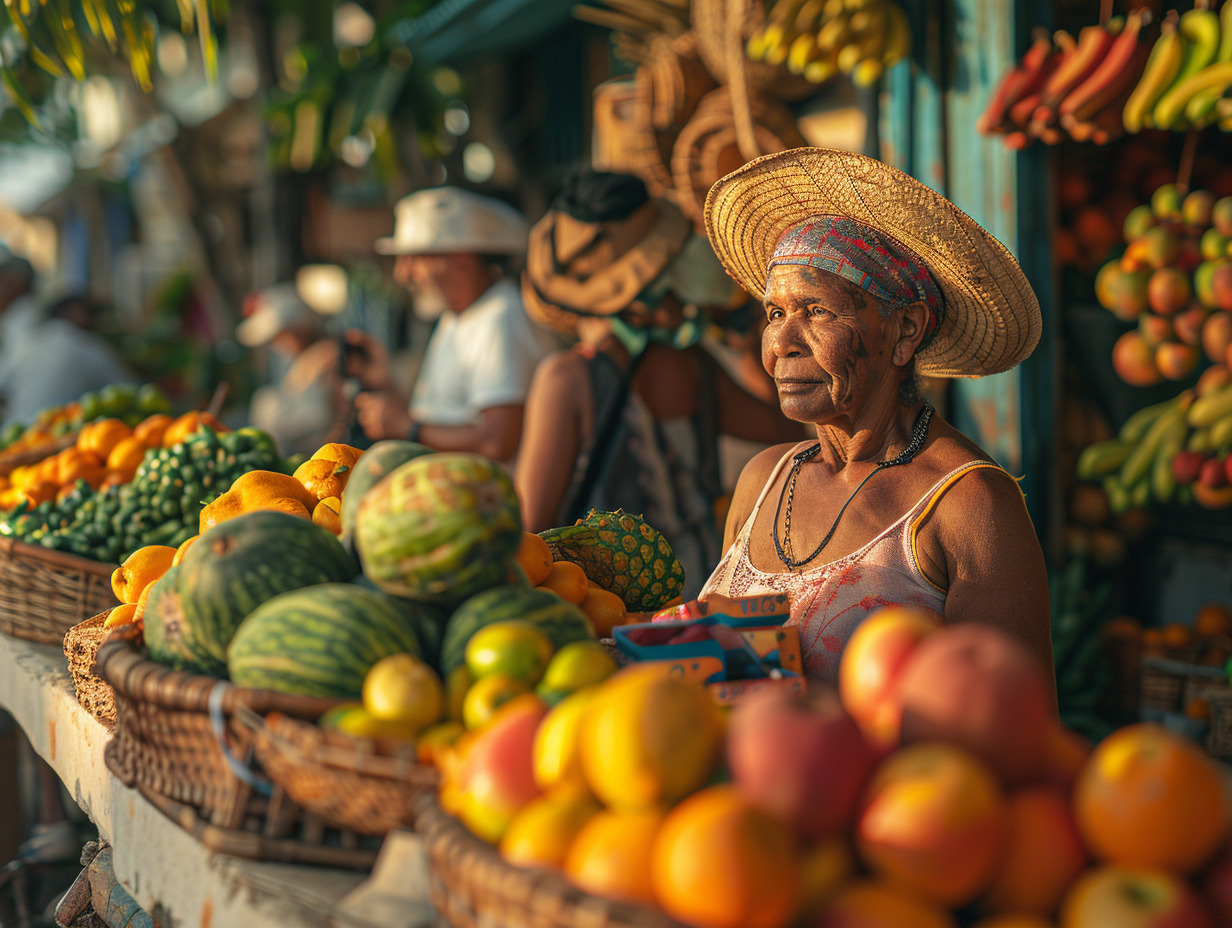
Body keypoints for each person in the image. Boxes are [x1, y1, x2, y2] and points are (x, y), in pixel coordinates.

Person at [698, 147, 1053, 691]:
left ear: (904, 331)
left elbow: (1014, 731)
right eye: (774, 313)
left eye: (816, 311)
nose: (782, 344)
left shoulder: (968, 505)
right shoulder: (764, 479)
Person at [517, 171, 805, 597]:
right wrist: (744, 339)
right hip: (712, 598)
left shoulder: (567, 381)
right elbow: (785, 429)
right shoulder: (691, 363)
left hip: (614, 615)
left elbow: (529, 536)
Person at [346, 187, 551, 465]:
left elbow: (497, 440)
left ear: (462, 259)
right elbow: (442, 417)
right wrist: (385, 386)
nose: (402, 274)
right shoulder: (458, 316)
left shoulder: (501, 318)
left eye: (415, 258)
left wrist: (408, 428)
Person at [238, 282, 344, 456]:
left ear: (299, 328)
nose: (277, 345)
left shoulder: (332, 359)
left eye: (281, 336)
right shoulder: (293, 362)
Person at [0, 294, 134, 428]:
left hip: (14, 434)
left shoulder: (29, 341)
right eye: (90, 313)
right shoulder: (86, 345)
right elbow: (130, 390)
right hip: (55, 436)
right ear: (73, 313)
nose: (95, 321)